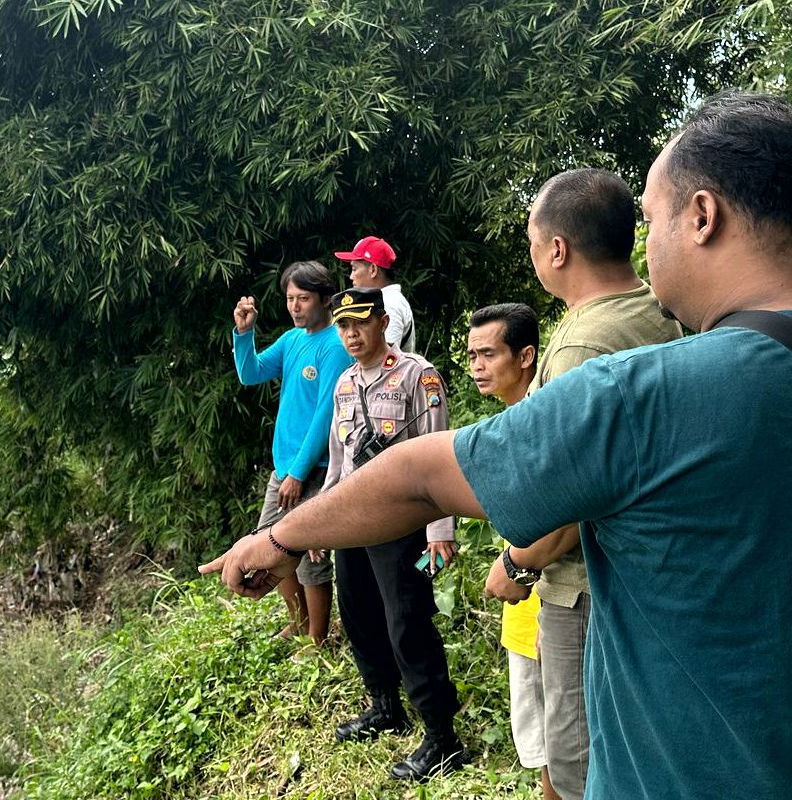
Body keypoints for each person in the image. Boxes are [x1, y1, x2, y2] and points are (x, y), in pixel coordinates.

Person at [202, 90, 792, 800]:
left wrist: (276, 540)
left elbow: (424, 474)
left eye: (649, 216)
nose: (645, 242)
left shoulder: (643, 391)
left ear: (702, 216)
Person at [479, 167, 681, 799]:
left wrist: (517, 563)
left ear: (558, 249)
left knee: (574, 754)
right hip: (648, 567)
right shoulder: (661, 309)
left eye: (534, 244)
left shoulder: (580, 347)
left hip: (581, 586)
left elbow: (569, 495)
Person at [324, 287, 468, 781]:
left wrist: (439, 529)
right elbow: (338, 461)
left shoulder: (417, 376)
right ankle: (385, 706)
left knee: (407, 621)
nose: (350, 334)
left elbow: (438, 455)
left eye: (359, 323)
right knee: (359, 616)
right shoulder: (343, 384)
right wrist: (323, 519)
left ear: (383, 322)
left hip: (402, 525)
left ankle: (442, 737)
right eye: (342, 326)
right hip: (351, 524)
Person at [232, 260, 352, 644]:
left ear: (325, 299)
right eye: (289, 298)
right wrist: (244, 333)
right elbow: (250, 373)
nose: (295, 306)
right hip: (283, 468)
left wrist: (299, 473)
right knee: (270, 547)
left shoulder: (334, 346)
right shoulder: (292, 340)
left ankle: (318, 637)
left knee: (311, 558)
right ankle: (297, 622)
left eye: (302, 298)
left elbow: (325, 415)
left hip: (312, 470)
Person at [466, 303, 555, 799]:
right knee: (544, 738)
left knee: (558, 742)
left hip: (550, 607)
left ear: (526, 356)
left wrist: (515, 568)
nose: (478, 365)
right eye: (472, 355)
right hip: (525, 613)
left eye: (488, 354)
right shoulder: (511, 421)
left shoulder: (544, 419)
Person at [334, 236, 417, 352]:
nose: (351, 277)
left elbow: (387, 360)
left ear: (373, 270)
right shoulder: (386, 300)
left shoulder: (389, 304)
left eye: (354, 269)